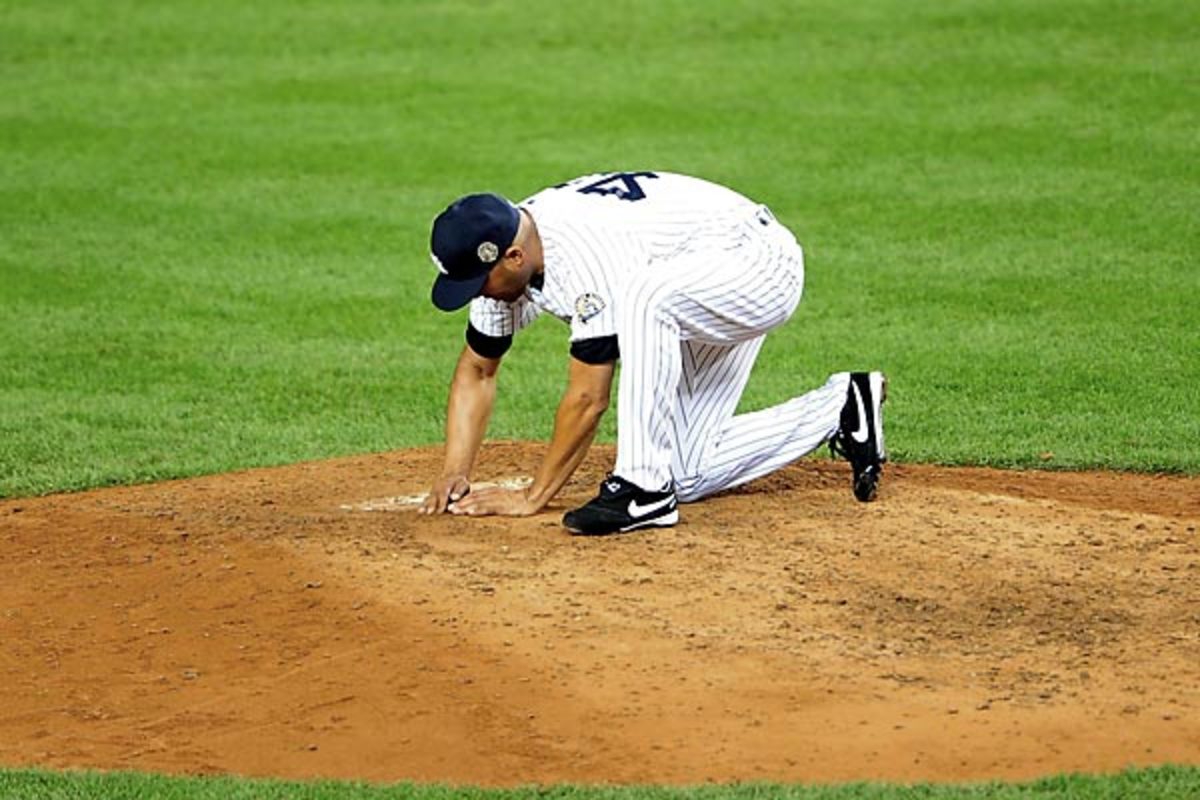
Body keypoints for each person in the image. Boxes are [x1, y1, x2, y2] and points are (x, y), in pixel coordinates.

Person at [417, 171, 886, 535]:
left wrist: (533, 496)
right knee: (685, 471)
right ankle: (843, 405)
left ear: (513, 258)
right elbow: (477, 370)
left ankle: (641, 489)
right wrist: (455, 471)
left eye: (479, 283)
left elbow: (588, 398)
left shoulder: (581, 257)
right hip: (696, 279)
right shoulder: (513, 261)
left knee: (642, 296)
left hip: (757, 264)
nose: (481, 294)